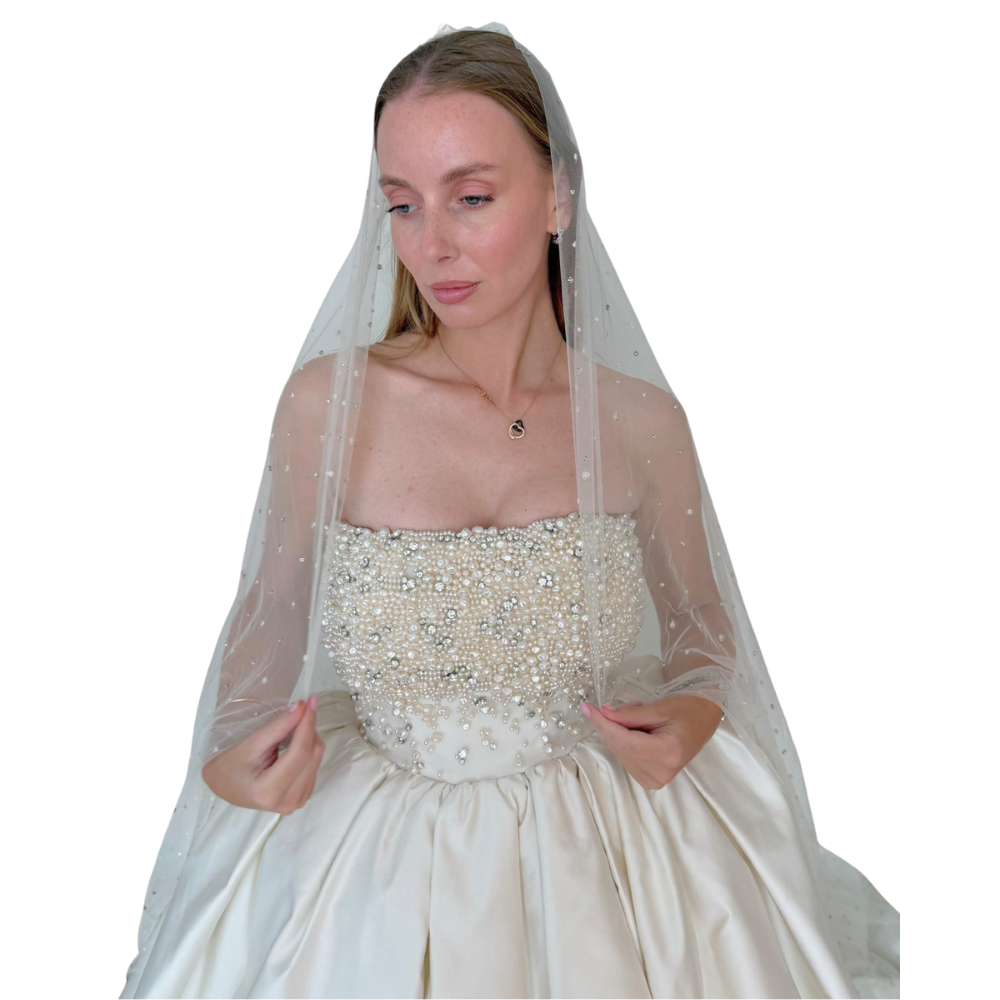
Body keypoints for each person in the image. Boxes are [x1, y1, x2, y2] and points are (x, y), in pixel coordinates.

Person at [120, 22, 900, 999]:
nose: (430, 244)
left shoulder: (641, 424)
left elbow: (704, 624)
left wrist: (693, 712)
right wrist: (231, 761)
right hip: (364, 871)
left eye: (472, 197)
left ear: (559, 195)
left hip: (614, 866)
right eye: (401, 204)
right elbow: (264, 626)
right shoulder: (329, 408)